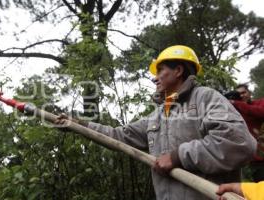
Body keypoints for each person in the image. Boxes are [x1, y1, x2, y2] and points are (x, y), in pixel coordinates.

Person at [55, 45, 257, 200]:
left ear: (178, 70)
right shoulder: (157, 116)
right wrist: (79, 125)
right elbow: (119, 136)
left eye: (160, 71)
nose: (155, 78)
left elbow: (239, 143)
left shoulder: (205, 99)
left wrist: (177, 157)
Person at [232, 84, 264, 182]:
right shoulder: (234, 109)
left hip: (260, 158)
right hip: (242, 159)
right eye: (239, 94)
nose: (241, 96)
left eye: (244, 92)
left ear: (249, 93)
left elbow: (261, 112)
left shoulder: (259, 103)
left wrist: (237, 103)